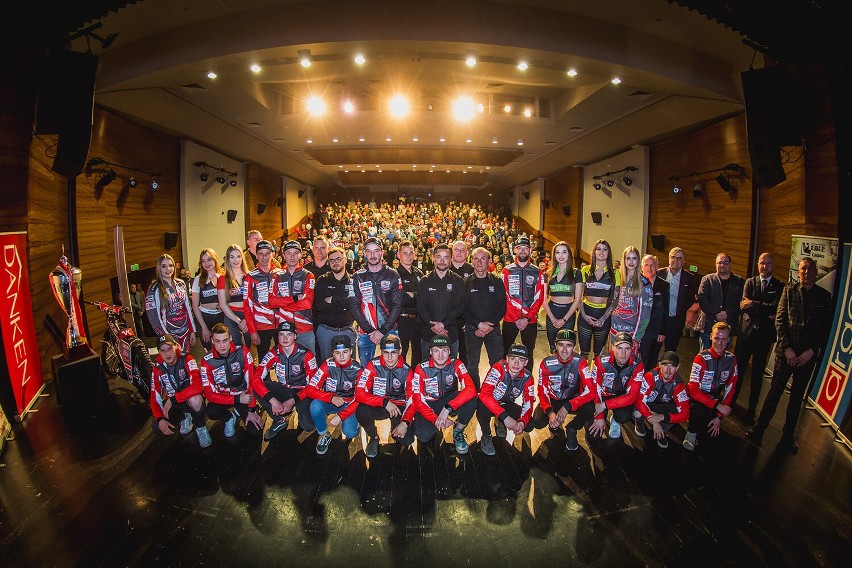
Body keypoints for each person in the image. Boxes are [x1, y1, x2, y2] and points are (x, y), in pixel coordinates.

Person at [748, 257, 833, 453]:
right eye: (803, 269)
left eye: (810, 269)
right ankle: (759, 428)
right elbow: (779, 321)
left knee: (796, 398)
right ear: (798, 272)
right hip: (785, 354)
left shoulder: (824, 297)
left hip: (806, 357)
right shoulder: (788, 290)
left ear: (815, 272)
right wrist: (787, 348)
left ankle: (788, 436)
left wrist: (811, 351)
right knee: (774, 393)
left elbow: (825, 329)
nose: (806, 272)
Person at [734, 252, 784, 421]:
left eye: (768, 263)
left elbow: (775, 308)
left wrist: (754, 304)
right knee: (738, 371)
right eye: (762, 263)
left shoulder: (779, 286)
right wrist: (762, 308)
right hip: (745, 335)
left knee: (757, 375)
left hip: (763, 337)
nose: (764, 266)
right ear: (758, 265)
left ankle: (751, 409)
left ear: (773, 265)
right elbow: (744, 306)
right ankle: (731, 402)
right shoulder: (750, 282)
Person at [251, 320, 319, 441]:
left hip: (302, 392)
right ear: (278, 337)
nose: (285, 338)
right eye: (281, 334)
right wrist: (273, 401)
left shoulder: (306, 355)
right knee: (255, 387)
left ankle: (307, 410)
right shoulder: (274, 352)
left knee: (309, 426)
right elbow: (256, 378)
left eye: (289, 334)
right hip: (284, 388)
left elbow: (313, 386)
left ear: (295, 336)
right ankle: (279, 420)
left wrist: (292, 401)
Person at [411, 335, 478, 454]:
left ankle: (458, 429)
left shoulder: (456, 363)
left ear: (450, 351)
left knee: (472, 397)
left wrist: (448, 407)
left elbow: (471, 388)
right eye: (436, 351)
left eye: (444, 350)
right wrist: (434, 418)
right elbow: (418, 400)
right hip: (429, 404)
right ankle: (436, 423)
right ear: (430, 351)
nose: (440, 355)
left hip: (449, 401)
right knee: (424, 436)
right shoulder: (420, 368)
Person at [533, 329, 596, 451]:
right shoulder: (546, 363)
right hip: (553, 399)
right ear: (555, 345)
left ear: (575, 346)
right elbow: (542, 391)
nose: (565, 350)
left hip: (573, 399)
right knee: (538, 422)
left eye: (569, 345)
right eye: (561, 345)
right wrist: (550, 412)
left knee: (590, 409)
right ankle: (554, 421)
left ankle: (572, 428)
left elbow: (591, 391)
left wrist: (568, 405)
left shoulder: (581, 362)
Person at [354, 334, 417, 457]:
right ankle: (374, 436)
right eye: (385, 352)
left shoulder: (407, 371)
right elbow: (359, 393)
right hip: (378, 404)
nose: (389, 357)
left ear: (400, 351)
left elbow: (413, 400)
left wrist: (405, 422)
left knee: (406, 440)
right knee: (361, 411)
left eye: (393, 352)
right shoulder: (372, 365)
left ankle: (396, 429)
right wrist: (384, 402)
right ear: (381, 351)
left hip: (399, 406)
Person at [199, 323, 263, 438]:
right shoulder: (206, 361)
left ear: (231, 338)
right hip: (226, 397)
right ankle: (229, 417)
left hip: (243, 394)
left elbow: (251, 381)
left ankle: (240, 410)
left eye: (225, 340)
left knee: (255, 431)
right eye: (218, 341)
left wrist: (252, 409)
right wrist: (236, 399)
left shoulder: (242, 351)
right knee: (211, 412)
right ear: (212, 341)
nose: (222, 346)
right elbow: (209, 394)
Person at [304, 334, 364, 455]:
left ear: (351, 351)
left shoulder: (359, 370)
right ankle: (324, 434)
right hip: (331, 401)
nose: (341, 356)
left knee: (350, 433)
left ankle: (357, 421)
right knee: (315, 405)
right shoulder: (327, 366)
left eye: (345, 352)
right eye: (337, 352)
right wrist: (330, 398)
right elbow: (309, 389)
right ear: (332, 353)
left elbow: (361, 399)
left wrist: (341, 416)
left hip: (350, 404)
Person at [683, 322, 738, 451]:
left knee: (713, 441)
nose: (720, 342)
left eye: (724, 339)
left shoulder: (731, 359)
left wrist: (719, 417)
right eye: (717, 338)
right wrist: (718, 406)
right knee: (698, 412)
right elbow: (693, 389)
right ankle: (690, 433)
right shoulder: (701, 358)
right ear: (711, 337)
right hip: (697, 399)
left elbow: (731, 389)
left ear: (728, 340)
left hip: (714, 400)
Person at [348, 237, 403, 365]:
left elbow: (397, 305)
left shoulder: (393, 275)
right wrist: (370, 330)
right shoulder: (357, 277)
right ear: (365, 253)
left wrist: (383, 330)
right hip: (366, 332)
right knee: (366, 370)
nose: (373, 255)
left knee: (393, 368)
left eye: (376, 251)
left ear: (382, 252)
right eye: (369, 251)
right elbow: (353, 306)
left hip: (390, 330)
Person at [150, 333, 210, 448]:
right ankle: (185, 416)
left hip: (188, 399)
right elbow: (154, 397)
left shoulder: (187, 359)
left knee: (196, 399)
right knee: (156, 425)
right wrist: (160, 418)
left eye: (169, 349)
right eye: (162, 350)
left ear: (176, 346)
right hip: (175, 403)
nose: (167, 354)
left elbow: (198, 386)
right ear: (159, 352)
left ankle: (200, 426)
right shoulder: (157, 368)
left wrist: (173, 399)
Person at [476, 344, 536, 456]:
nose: (516, 363)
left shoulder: (528, 377)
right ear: (507, 359)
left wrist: (522, 422)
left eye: (521, 360)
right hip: (489, 403)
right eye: (513, 359)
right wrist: (505, 417)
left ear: (526, 362)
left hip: (507, 404)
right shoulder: (498, 367)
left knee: (530, 424)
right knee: (481, 404)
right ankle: (486, 435)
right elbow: (485, 394)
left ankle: (501, 422)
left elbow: (528, 403)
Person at [589, 331, 645, 440]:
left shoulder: (637, 365)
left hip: (621, 395)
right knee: (592, 435)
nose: (623, 354)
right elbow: (595, 389)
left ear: (632, 349)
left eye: (627, 349)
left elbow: (632, 396)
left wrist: (604, 406)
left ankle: (615, 420)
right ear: (613, 348)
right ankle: (602, 416)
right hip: (602, 394)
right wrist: (599, 416)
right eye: (619, 348)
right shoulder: (600, 361)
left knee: (623, 416)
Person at [464, 246, 507, 388]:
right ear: (472, 262)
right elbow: (463, 308)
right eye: (476, 258)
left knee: (496, 364)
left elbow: (502, 306)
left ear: (489, 261)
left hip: (493, 329)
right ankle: (474, 393)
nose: (479, 262)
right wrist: (478, 325)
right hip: (472, 329)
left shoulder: (497, 281)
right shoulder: (465, 283)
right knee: (472, 364)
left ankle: (492, 392)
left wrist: (489, 325)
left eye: (483, 258)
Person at [501, 236, 545, 372]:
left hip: (529, 321)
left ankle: (528, 385)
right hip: (510, 319)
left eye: (526, 248)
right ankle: (504, 379)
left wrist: (527, 318)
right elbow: (503, 296)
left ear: (530, 250)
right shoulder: (506, 271)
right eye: (520, 248)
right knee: (506, 351)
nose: (523, 251)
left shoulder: (537, 271)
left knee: (528, 353)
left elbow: (539, 297)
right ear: (515, 250)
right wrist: (515, 318)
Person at [417, 243, 466, 358]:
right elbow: (421, 307)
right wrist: (434, 325)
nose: (442, 261)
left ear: (451, 259)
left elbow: (460, 306)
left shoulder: (458, 281)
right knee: (427, 371)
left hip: (450, 333)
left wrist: (443, 324)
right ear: (433, 258)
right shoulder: (424, 281)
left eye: (446, 257)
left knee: (450, 371)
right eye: (439, 257)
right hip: (428, 334)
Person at [269, 240, 317, 355]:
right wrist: (294, 298)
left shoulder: (308, 275)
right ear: (284, 255)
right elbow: (271, 302)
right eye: (289, 253)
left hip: (305, 329)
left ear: (300, 255)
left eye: (295, 253)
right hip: (285, 331)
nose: (292, 256)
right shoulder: (277, 276)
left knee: (309, 365)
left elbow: (307, 303)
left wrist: (283, 306)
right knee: (287, 365)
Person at [635, 350, 689, 449]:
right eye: (665, 365)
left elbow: (685, 414)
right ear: (659, 364)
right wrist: (654, 421)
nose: (668, 370)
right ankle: (639, 422)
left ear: (677, 367)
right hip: (647, 405)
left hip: (662, 407)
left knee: (676, 410)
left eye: (672, 366)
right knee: (636, 411)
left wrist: (662, 417)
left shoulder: (678, 384)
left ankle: (661, 430)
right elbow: (639, 400)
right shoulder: (650, 376)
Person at [145, 253, 197, 353]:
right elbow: (153, 316)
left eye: (170, 265)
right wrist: (165, 336)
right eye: (163, 266)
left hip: (185, 332)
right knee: (173, 363)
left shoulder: (181, 283)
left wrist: (193, 331)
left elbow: (188, 309)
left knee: (186, 361)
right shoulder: (154, 289)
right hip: (169, 334)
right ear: (158, 268)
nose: (168, 269)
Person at [313, 246, 356, 361]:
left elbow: (353, 304)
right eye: (331, 261)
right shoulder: (322, 280)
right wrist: (344, 304)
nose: (335, 263)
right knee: (326, 367)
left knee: (349, 369)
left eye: (338, 259)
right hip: (326, 331)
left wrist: (333, 299)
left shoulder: (353, 281)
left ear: (345, 259)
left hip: (347, 330)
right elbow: (319, 306)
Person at [578, 239, 619, 360]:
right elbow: (578, 297)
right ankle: (583, 378)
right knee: (583, 353)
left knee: (599, 354)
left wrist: (603, 319)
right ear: (594, 252)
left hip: (603, 315)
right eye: (598, 249)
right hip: (585, 313)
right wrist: (585, 316)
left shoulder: (615, 273)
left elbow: (615, 300)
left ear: (609, 253)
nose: (601, 252)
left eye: (605, 249)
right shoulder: (585, 270)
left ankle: (597, 378)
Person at [697, 253, 745, 351]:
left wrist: (727, 314)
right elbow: (702, 300)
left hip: (729, 327)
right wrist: (716, 314)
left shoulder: (740, 282)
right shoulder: (707, 279)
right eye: (720, 262)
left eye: (726, 262)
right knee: (705, 357)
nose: (722, 265)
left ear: (730, 264)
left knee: (724, 358)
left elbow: (742, 303)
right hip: (708, 326)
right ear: (715, 265)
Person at [609, 246, 653, 353]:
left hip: (631, 333)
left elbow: (645, 315)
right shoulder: (616, 278)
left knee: (628, 366)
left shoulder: (644, 283)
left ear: (638, 260)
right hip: (614, 331)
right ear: (624, 260)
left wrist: (636, 337)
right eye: (628, 258)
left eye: (634, 258)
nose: (631, 262)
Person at [244, 239, 282, 361]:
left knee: (282, 357)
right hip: (261, 325)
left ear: (273, 254)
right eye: (261, 253)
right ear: (256, 255)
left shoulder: (281, 274)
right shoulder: (250, 277)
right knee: (263, 360)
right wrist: (252, 331)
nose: (264, 257)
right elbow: (247, 305)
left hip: (281, 323)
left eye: (267, 253)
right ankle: (264, 381)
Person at [543, 241, 583, 353]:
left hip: (568, 314)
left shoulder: (576, 273)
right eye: (557, 252)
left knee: (565, 348)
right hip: (552, 312)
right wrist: (552, 318)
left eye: (564, 252)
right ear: (554, 255)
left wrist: (564, 319)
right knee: (552, 347)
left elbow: (577, 300)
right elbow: (543, 300)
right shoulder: (548, 273)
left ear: (569, 254)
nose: (561, 255)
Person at [657, 247, 697, 352]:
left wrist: (680, 309)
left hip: (675, 321)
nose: (676, 260)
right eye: (673, 257)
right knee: (653, 350)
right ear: (669, 258)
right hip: (658, 319)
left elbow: (690, 298)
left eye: (680, 258)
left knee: (671, 351)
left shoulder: (689, 278)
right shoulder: (659, 274)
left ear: (683, 261)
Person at [396, 240, 425, 366]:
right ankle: (400, 384)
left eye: (411, 253)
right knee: (400, 355)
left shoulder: (419, 273)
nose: (408, 256)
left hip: (419, 320)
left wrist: (412, 295)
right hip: (402, 321)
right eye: (405, 253)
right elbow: (399, 298)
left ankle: (415, 383)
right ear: (398, 255)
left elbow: (425, 297)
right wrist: (413, 296)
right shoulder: (394, 274)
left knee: (418, 355)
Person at [638, 254, 669, 370]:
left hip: (654, 329)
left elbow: (665, 309)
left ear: (657, 267)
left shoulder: (664, 285)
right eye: (646, 265)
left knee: (651, 359)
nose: (649, 268)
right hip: (637, 326)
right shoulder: (636, 282)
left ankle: (648, 383)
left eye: (652, 265)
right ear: (641, 267)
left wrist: (662, 331)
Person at [191, 248, 224, 352]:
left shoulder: (223, 277)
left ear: (215, 259)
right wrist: (204, 327)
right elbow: (195, 306)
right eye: (203, 261)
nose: (206, 263)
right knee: (210, 352)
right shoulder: (198, 279)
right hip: (204, 319)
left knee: (222, 349)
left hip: (221, 318)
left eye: (209, 259)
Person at [217, 244, 251, 347]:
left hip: (248, 315)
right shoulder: (223, 279)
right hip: (231, 316)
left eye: (238, 256)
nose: (236, 260)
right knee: (235, 348)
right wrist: (239, 321)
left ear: (242, 257)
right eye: (232, 257)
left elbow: (254, 301)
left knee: (247, 348)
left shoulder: (249, 276)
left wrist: (247, 320)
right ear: (227, 259)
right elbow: (222, 304)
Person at [450, 240, 475, 365]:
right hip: (448, 321)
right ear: (452, 252)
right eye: (456, 250)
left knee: (466, 357)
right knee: (448, 356)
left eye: (462, 250)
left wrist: (470, 320)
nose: (459, 253)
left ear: (467, 253)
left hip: (467, 322)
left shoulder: (474, 270)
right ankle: (450, 384)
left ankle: (466, 384)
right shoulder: (444, 267)